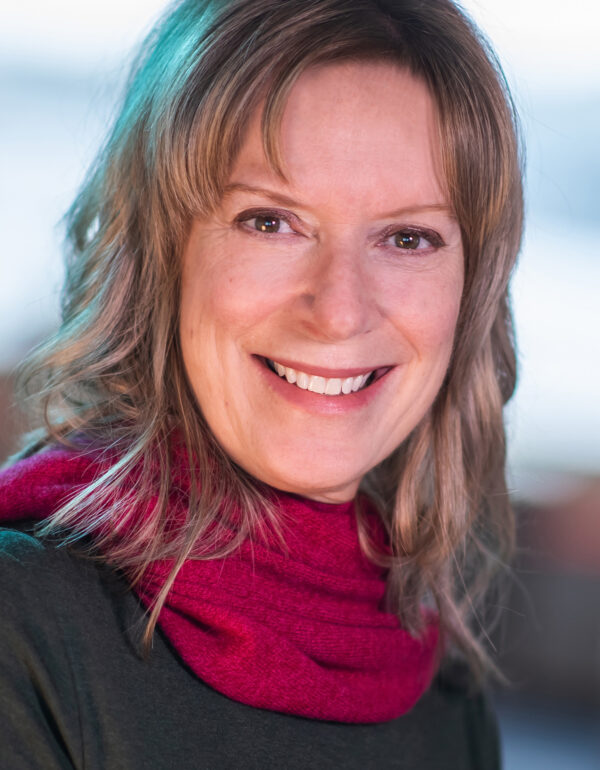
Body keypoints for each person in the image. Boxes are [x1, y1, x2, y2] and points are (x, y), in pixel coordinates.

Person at [0, 0, 522, 767]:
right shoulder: (25, 630)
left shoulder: (438, 686)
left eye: (408, 237)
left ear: (470, 293)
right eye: (270, 221)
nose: (340, 311)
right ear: (158, 254)